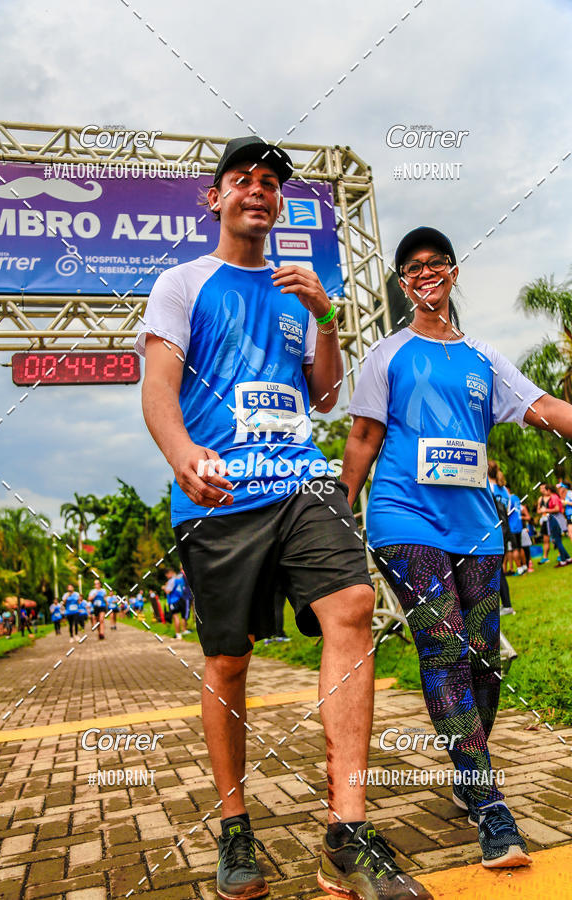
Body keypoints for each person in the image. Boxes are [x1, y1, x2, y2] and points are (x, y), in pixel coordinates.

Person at [136, 137, 433, 900]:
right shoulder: (183, 283)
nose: (258, 190)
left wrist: (327, 317)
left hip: (302, 481)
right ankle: (236, 826)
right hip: (221, 492)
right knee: (229, 660)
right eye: (243, 179)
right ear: (217, 198)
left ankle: (347, 830)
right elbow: (158, 390)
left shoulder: (302, 288)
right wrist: (183, 456)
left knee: (354, 604)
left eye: (271, 182)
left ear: (280, 203)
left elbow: (328, 396)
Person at [341, 224, 572, 870]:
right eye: (411, 268)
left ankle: (468, 764)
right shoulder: (388, 354)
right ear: (402, 283)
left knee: (484, 664)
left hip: (475, 526)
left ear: (452, 272)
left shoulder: (484, 359)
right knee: (443, 649)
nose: (424, 274)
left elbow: (545, 406)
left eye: (434, 262)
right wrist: (339, 510)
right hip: (403, 518)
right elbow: (362, 437)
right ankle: (491, 805)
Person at [487, 463, 515, 613]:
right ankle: (504, 604)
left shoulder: (487, 487)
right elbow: (509, 511)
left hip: (492, 530)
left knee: (495, 570)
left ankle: (506, 604)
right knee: (498, 569)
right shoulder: (504, 490)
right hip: (505, 530)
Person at [545, 483, 571, 566]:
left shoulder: (553, 497)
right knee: (557, 540)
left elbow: (556, 509)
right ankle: (568, 558)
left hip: (555, 519)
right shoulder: (556, 497)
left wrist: (545, 510)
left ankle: (563, 560)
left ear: (548, 490)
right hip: (555, 519)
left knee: (557, 540)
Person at [506, 489, 525, 575]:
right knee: (520, 546)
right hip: (519, 525)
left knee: (514, 548)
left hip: (512, 526)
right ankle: (524, 566)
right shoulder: (516, 497)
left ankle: (519, 568)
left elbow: (506, 512)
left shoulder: (509, 498)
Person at [536, 486, 551, 563]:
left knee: (556, 539)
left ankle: (560, 555)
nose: (541, 490)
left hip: (552, 519)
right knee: (546, 540)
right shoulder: (540, 499)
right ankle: (545, 557)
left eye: (543, 488)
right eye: (540, 488)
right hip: (545, 520)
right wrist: (542, 511)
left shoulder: (552, 497)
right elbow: (538, 511)